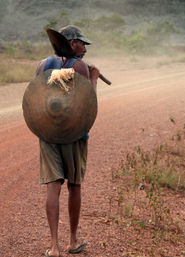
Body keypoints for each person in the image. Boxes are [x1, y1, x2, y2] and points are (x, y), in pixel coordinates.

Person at [34, 25, 100, 257]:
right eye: (82, 43)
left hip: (49, 131)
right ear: (71, 43)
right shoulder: (80, 66)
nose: (84, 48)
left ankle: (53, 247)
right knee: (74, 184)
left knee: (53, 185)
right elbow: (88, 102)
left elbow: (37, 97)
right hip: (73, 133)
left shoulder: (42, 65)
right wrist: (93, 78)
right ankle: (72, 241)